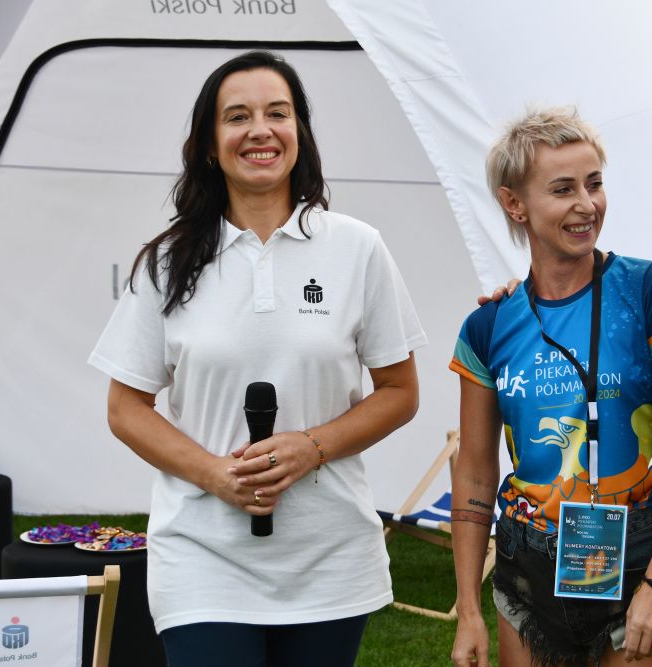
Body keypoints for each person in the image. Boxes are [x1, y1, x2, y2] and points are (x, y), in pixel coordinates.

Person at [88, 51, 426, 666]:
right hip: (202, 557)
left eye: (278, 113)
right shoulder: (166, 262)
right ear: (209, 145)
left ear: (300, 133)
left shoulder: (358, 249)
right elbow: (125, 408)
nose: (260, 131)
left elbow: (400, 393)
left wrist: (311, 447)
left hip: (329, 558)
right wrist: (214, 474)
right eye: (237, 116)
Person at [449, 107, 652, 667]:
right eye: (563, 189)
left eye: (594, 184)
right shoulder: (488, 326)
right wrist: (468, 607)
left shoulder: (648, 292)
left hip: (641, 558)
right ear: (514, 204)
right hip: (529, 563)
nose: (587, 205)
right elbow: (474, 469)